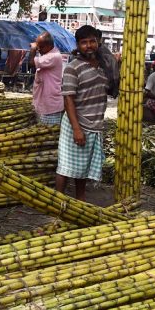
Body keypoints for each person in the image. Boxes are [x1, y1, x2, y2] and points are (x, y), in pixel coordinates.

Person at [55, 25, 108, 202]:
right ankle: (58, 204)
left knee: (82, 169)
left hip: (94, 125)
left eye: (92, 41)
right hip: (75, 124)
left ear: (98, 42)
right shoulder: (72, 67)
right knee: (65, 168)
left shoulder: (104, 66)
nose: (89, 46)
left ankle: (80, 202)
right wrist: (77, 129)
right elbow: (68, 99)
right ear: (78, 45)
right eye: (84, 42)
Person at [29, 32, 64, 125]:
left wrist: (33, 49)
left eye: (40, 47)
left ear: (49, 46)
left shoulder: (53, 56)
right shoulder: (48, 54)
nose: (38, 49)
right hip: (44, 102)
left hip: (50, 105)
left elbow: (31, 63)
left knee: (49, 133)